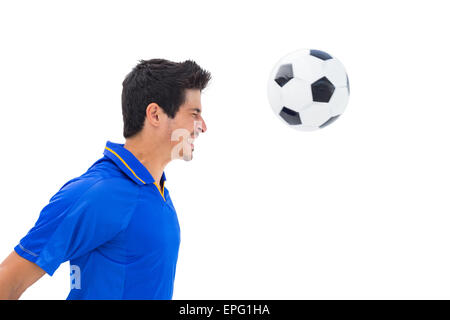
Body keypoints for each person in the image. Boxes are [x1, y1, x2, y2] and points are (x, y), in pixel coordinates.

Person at [0, 58, 211, 300]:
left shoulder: (157, 191)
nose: (202, 126)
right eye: (194, 114)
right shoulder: (97, 192)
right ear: (155, 114)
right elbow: (8, 282)